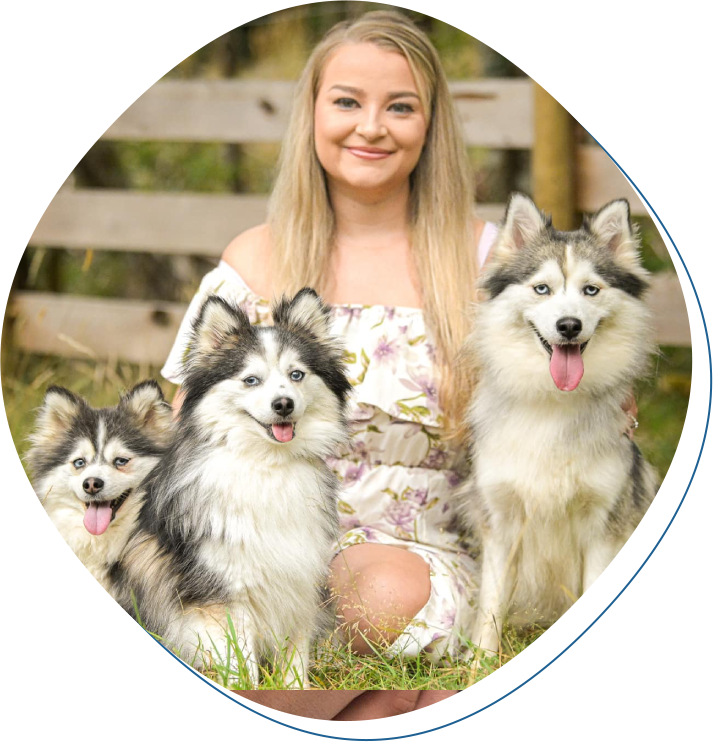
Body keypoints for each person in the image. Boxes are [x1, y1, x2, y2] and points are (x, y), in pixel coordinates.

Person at [161, 9, 631, 719]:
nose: (370, 127)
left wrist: (597, 395)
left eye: (400, 107)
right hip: (257, 530)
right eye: (346, 101)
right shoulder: (253, 260)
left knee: (373, 602)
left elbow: (578, 387)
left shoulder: (491, 264)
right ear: (312, 114)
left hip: (416, 542)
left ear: (430, 125)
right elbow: (182, 433)